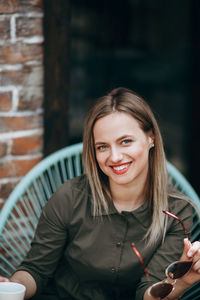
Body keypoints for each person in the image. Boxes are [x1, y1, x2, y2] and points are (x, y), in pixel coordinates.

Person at [0, 87, 200, 300]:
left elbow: (148, 293)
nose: (114, 157)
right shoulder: (69, 197)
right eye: (102, 147)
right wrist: (12, 286)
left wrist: (182, 282)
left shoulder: (177, 212)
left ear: (151, 138)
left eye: (125, 141)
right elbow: (36, 270)